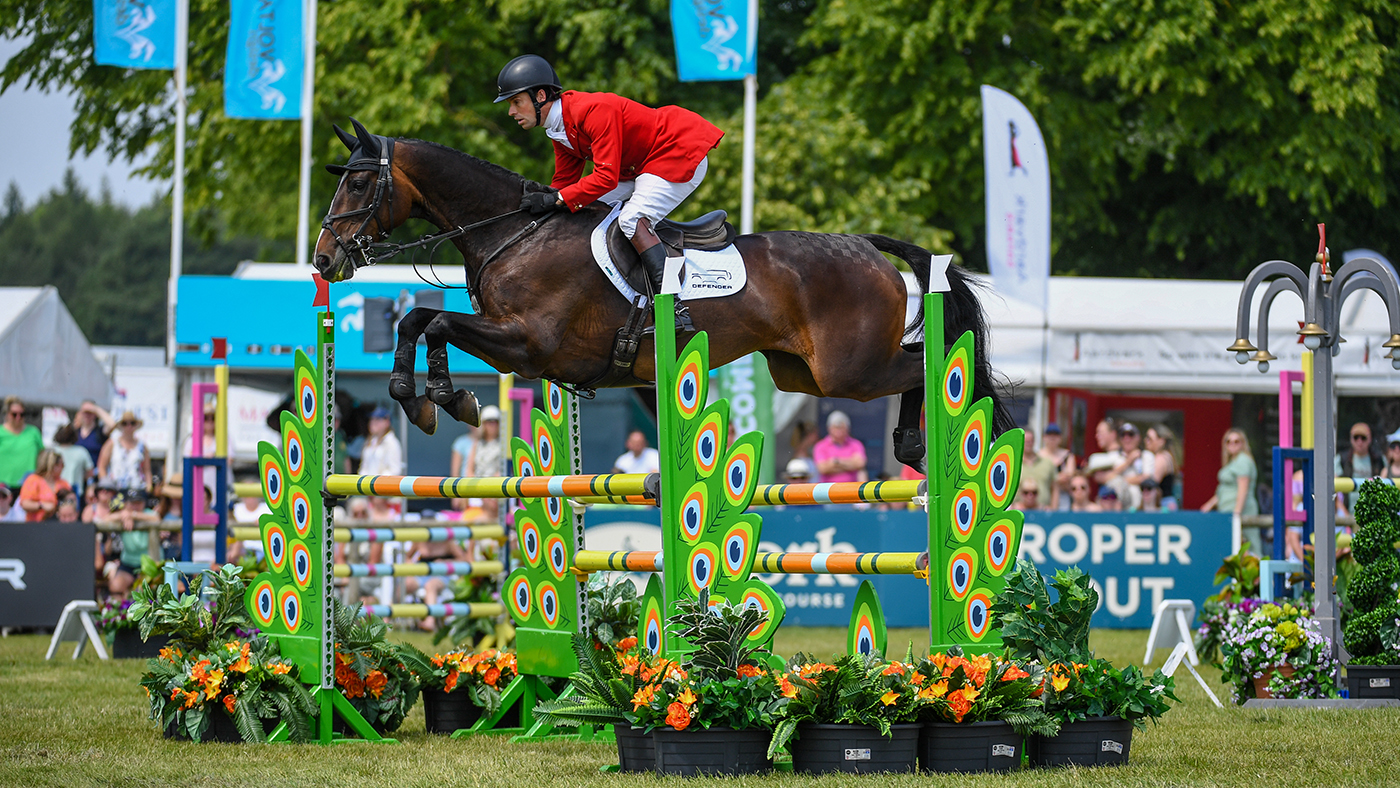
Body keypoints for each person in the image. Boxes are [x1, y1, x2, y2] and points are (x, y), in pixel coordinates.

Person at [497, 54, 723, 326]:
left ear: (541, 96)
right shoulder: (559, 128)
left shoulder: (592, 111)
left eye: (516, 102)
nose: (511, 112)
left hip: (676, 150)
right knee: (581, 209)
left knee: (631, 219)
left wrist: (557, 198)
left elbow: (603, 179)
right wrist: (543, 203)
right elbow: (565, 183)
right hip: (637, 166)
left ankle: (673, 305)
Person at [1201, 428, 1260, 552]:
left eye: (1236, 441)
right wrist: (1209, 505)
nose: (1232, 444)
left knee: (1248, 546)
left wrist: (1237, 513)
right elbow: (1223, 490)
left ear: (1243, 443)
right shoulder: (1232, 462)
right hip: (1227, 512)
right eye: (1228, 441)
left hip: (1241, 512)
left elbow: (1243, 488)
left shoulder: (1243, 460)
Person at [97, 410, 152, 493]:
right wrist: (106, 485)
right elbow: (101, 466)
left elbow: (147, 470)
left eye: (132, 423)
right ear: (121, 426)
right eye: (125, 423)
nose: (129, 426)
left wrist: (149, 485)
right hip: (115, 489)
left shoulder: (142, 446)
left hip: (137, 489)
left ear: (136, 426)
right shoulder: (112, 443)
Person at [1335, 421, 1382, 516]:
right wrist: (1345, 514)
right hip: (1346, 514)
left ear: (1370, 439)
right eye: (1356, 437)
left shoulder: (1379, 460)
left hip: (1373, 515)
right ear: (1351, 439)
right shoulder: (1341, 459)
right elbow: (1332, 489)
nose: (1359, 441)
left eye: (1363, 438)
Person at [0, 396, 44, 488]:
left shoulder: (33, 432)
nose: (18, 418)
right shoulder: (1, 433)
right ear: (7, 414)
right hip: (3, 485)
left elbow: (42, 456)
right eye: (14, 414)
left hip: (29, 485)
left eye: (22, 414)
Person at [813, 411, 867, 485]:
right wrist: (850, 465)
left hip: (851, 490)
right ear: (829, 428)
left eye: (841, 427)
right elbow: (822, 468)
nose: (838, 430)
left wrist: (836, 461)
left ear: (848, 428)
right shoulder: (820, 446)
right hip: (827, 491)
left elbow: (860, 464)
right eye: (836, 427)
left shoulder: (855, 444)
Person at [19, 449, 71, 521]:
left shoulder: (63, 483)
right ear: (52, 466)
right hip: (36, 524)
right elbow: (25, 503)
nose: (63, 467)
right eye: (61, 465)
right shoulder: (33, 480)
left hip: (58, 524)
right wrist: (42, 505)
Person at [49, 424, 94, 500]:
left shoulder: (52, 451)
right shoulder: (81, 451)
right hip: (74, 491)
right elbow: (90, 473)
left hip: (55, 489)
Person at [1144, 424, 1181, 510]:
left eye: (1150, 438)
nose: (1146, 440)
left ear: (1161, 441)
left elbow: (1150, 484)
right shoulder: (1168, 456)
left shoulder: (1161, 458)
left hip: (1163, 505)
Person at [1039, 423, 1075, 510]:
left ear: (1060, 438)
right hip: (1043, 494)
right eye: (1049, 435)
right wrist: (1058, 477)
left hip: (1063, 496)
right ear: (1044, 437)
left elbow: (1069, 477)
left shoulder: (1067, 456)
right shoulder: (1038, 456)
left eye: (1055, 435)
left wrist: (1050, 478)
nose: (1052, 438)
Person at [73, 400, 116, 469]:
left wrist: (96, 409)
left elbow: (112, 424)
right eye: (85, 412)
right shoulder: (75, 432)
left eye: (90, 412)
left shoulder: (99, 432)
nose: (87, 415)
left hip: (94, 475)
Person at [465, 406, 503, 478]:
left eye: (495, 422)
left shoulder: (504, 445)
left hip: (496, 485)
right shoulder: (477, 444)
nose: (492, 426)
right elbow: (469, 469)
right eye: (489, 422)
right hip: (477, 485)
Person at [1022, 429, 1056, 510]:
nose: (1028, 443)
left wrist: (1054, 510)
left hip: (1043, 511)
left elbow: (1055, 488)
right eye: (1026, 441)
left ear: (1034, 442)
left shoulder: (1047, 463)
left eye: (1030, 440)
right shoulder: (1013, 464)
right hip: (1018, 511)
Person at [448, 425, 477, 512]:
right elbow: (455, 471)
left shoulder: (494, 443)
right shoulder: (461, 443)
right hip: (465, 488)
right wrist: (455, 495)